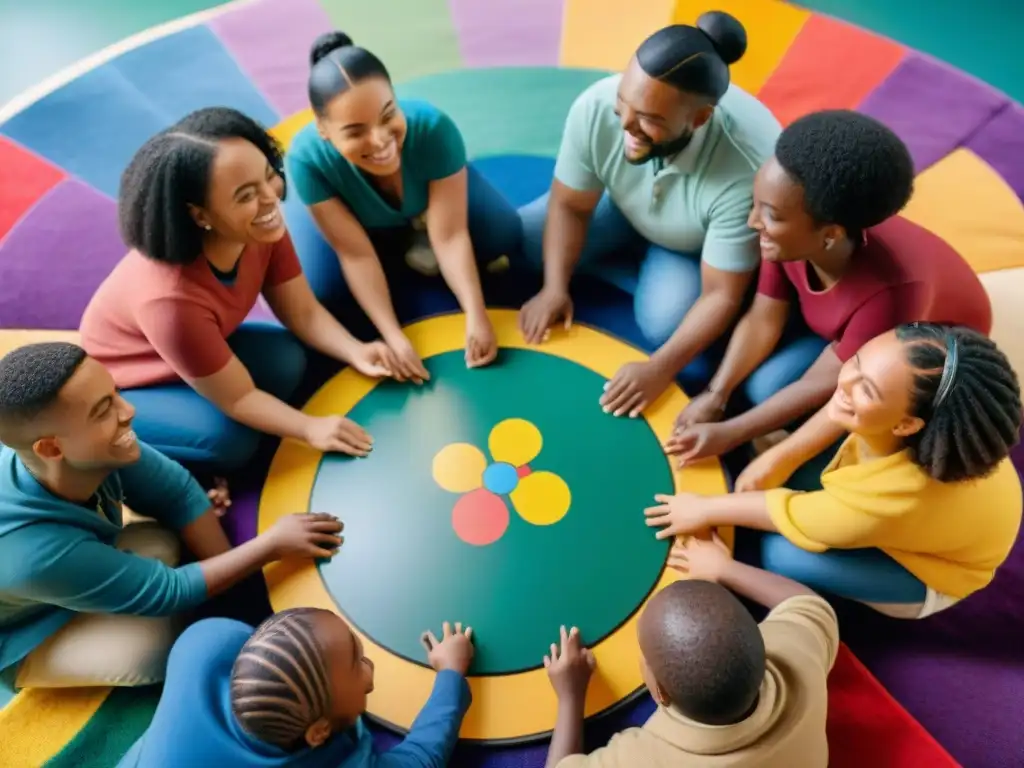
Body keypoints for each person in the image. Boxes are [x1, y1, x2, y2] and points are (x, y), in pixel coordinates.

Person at [0, 342, 344, 690]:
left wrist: (238, 589)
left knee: (159, 544)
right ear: (51, 448)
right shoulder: (30, 554)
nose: (129, 410)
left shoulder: (98, 450)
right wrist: (270, 545)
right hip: (20, 628)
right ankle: (29, 667)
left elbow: (177, 491)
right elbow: (170, 590)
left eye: (116, 393)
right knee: (150, 651)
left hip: (62, 564)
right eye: (103, 410)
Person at [667, 109, 993, 467]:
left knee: (767, 388)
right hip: (843, 325)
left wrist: (732, 431)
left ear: (831, 235)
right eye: (755, 203)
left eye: (770, 214)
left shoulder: (892, 293)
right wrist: (717, 394)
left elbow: (824, 381)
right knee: (758, 381)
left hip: (921, 339)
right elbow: (764, 317)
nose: (752, 221)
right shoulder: (787, 239)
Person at [79, 107, 396, 471]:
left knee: (288, 361)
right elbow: (240, 398)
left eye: (267, 177)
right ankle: (145, 451)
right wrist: (310, 428)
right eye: (246, 195)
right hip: (130, 386)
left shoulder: (259, 228)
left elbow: (302, 312)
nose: (270, 199)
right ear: (200, 216)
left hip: (187, 353)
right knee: (231, 441)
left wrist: (356, 350)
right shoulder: (169, 300)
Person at [649, 323, 1023, 618]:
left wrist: (702, 509)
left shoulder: (891, 498)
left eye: (868, 391)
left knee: (782, 553)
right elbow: (839, 406)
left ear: (906, 425)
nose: (844, 383)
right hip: (948, 514)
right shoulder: (921, 424)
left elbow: (796, 513)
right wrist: (778, 457)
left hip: (931, 572)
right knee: (794, 469)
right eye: (857, 360)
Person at [517, 12, 781, 418]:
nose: (625, 124)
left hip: (688, 245)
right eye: (624, 103)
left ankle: (640, 266)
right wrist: (555, 287)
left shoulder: (747, 169)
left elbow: (722, 294)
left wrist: (659, 369)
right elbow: (570, 204)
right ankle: (629, 263)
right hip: (621, 206)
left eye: (649, 120)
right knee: (529, 245)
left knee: (665, 322)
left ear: (699, 119)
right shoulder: (597, 105)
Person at [286, 31, 522, 380]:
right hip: (349, 220)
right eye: (354, 131)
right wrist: (394, 336)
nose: (380, 140)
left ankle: (414, 231)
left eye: (388, 115)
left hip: (429, 203)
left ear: (396, 98)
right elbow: (355, 254)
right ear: (323, 130)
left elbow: (452, 234)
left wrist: (477, 313)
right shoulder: (306, 160)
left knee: (502, 233)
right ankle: (402, 235)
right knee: (326, 290)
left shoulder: (432, 128)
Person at [543, 534, 836, 767]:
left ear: (660, 693)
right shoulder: (798, 655)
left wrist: (571, 695)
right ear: (761, 640)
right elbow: (809, 603)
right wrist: (725, 568)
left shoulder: (641, 759)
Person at [118, 610, 474, 767]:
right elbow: (419, 759)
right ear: (319, 732)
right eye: (357, 664)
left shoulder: (205, 643)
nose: (369, 666)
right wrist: (451, 673)